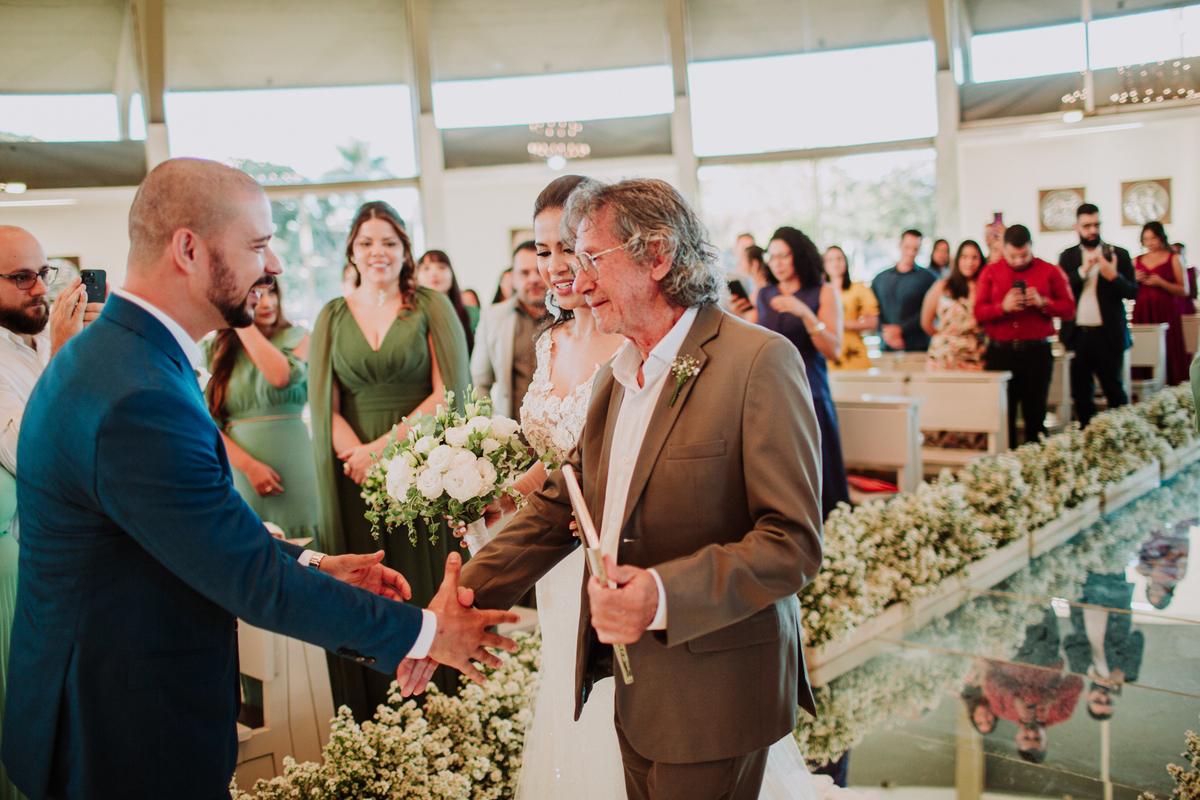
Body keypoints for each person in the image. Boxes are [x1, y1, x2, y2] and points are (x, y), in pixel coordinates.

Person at [2, 159, 516, 800]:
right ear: (189, 249)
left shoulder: (124, 356)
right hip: (119, 731)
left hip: (118, 708)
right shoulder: (135, 390)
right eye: (257, 244)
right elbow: (246, 578)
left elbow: (194, 532)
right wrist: (427, 632)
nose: (272, 265)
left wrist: (316, 564)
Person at [421, 178, 824, 800]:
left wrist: (660, 594)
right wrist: (454, 601)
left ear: (657, 255)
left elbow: (791, 543)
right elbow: (560, 506)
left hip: (716, 692)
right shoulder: (618, 377)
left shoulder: (757, 362)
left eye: (591, 261)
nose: (576, 283)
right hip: (630, 693)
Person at [309, 200, 472, 719]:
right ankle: (371, 716)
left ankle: (443, 712)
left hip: (422, 470)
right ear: (352, 253)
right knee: (365, 592)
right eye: (366, 243)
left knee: (422, 586)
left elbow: (452, 392)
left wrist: (381, 452)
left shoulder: (429, 305)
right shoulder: (332, 315)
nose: (377, 253)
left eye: (389, 243)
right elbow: (322, 402)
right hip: (351, 474)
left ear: (405, 251)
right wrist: (355, 457)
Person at [0, 226, 101, 800]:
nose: (40, 289)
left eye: (44, 273)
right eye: (21, 278)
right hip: (18, 564)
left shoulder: (46, 339)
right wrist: (65, 355)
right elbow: (30, 453)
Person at [202, 280, 319, 539]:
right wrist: (249, 466)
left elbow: (279, 377)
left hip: (297, 469)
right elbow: (206, 423)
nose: (267, 303)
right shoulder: (213, 350)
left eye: (272, 292)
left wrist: (241, 322)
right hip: (241, 472)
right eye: (255, 294)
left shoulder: (298, 336)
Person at [758, 227, 851, 518]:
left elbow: (833, 350)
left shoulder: (823, 292)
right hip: (772, 388)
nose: (777, 263)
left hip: (811, 387)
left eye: (783, 255)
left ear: (799, 256)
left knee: (818, 464)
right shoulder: (763, 294)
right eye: (771, 257)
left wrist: (805, 313)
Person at [974, 224, 1076, 446]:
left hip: (1036, 353)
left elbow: (1069, 309)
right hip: (1000, 354)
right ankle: (1006, 470)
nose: (1019, 261)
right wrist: (1002, 307)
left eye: (1024, 255)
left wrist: (1044, 303)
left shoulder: (1050, 270)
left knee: (1035, 415)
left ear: (1032, 247)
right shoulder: (990, 272)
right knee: (1004, 416)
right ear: (1003, 248)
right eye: (1013, 256)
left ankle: (1036, 470)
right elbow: (978, 312)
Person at [1057, 204, 1137, 427]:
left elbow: (1132, 292)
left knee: (1114, 391)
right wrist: (1083, 271)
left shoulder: (1118, 254)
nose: (1092, 230)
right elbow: (1060, 290)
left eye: (1096, 225)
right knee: (1081, 394)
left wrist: (1113, 276)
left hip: (1108, 334)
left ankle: (1121, 436)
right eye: (1087, 226)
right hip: (1078, 335)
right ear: (1076, 227)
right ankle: (1087, 440)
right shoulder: (1068, 256)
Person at [471, 242, 547, 421]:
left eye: (539, 271)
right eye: (525, 273)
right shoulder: (492, 318)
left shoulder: (570, 315)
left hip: (562, 435)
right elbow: (479, 382)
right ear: (513, 277)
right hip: (513, 434)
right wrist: (488, 431)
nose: (534, 279)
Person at [1063, 572, 1143, 722]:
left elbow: (1069, 640)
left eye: (1098, 700)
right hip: (1115, 598)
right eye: (1109, 701)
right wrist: (1121, 668)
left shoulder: (1079, 668)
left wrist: (1091, 671)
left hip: (1083, 597)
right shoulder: (1128, 674)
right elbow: (1137, 637)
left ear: (1087, 696)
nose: (1104, 697)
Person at [1134, 221, 1190, 386]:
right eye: (1145, 239)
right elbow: (1126, 289)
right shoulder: (1135, 260)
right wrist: (1133, 279)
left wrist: (1162, 283)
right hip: (1142, 311)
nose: (1149, 243)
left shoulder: (1174, 258)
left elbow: (1184, 290)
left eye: (1153, 238)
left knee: (1168, 349)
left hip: (1165, 311)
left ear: (1161, 238)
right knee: (1143, 349)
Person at [921, 240, 987, 371]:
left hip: (974, 354)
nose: (970, 262)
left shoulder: (984, 287)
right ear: (957, 260)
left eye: (975, 257)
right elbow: (926, 322)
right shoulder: (942, 286)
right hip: (944, 356)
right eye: (964, 257)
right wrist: (946, 339)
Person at [871, 229, 938, 351]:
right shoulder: (881, 279)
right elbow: (874, 310)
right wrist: (888, 334)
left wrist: (901, 329)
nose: (911, 252)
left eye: (915, 248)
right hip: (887, 346)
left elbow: (930, 311)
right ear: (900, 245)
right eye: (907, 247)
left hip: (918, 346)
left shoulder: (928, 278)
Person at [823, 245, 878, 370]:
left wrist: (840, 324)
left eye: (839, 259)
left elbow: (872, 322)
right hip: (828, 352)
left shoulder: (858, 288)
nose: (835, 264)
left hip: (853, 352)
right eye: (830, 260)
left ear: (846, 262)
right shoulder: (819, 292)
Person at [417, 249, 478, 351]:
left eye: (441, 267)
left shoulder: (472, 315)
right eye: (426, 268)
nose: (434, 273)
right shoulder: (410, 315)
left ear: (452, 275)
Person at [728, 244, 776, 323]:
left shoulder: (757, 296)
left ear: (754, 264)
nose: (738, 265)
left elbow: (751, 327)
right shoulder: (773, 289)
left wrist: (737, 315)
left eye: (741, 261)